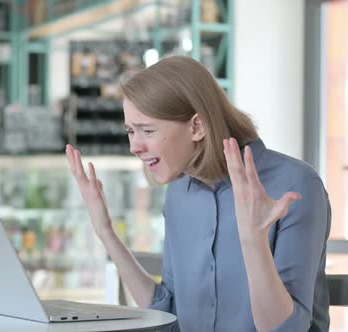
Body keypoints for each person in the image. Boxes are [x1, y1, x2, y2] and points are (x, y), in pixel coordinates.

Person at [65, 56, 331, 331]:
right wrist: (105, 232)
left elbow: (287, 329)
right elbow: (168, 312)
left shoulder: (295, 185)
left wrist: (254, 241)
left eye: (147, 130)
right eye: (131, 131)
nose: (135, 146)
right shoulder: (179, 193)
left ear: (197, 126)